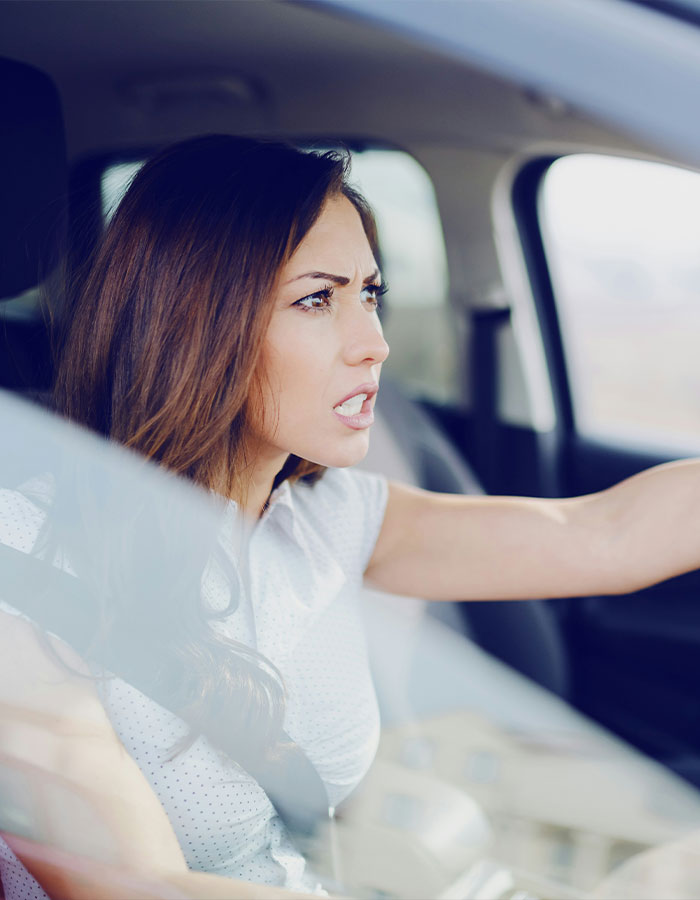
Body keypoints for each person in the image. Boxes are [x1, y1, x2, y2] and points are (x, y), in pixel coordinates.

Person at [2, 133, 700, 899]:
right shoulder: (25, 557)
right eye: (317, 299)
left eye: (370, 294)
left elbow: (603, 535)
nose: (376, 344)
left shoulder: (327, 516)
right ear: (195, 321)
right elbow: (134, 886)